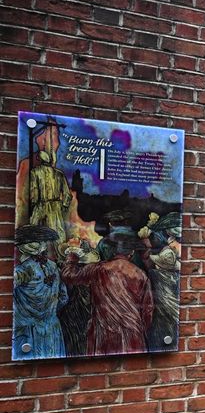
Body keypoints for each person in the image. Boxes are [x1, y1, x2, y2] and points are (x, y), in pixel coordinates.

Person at [62, 232, 153, 356]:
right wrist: (140, 330)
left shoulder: (97, 269)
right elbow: (148, 310)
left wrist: (72, 256)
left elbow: (69, 276)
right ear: (131, 253)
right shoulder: (141, 274)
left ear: (113, 252)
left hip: (104, 331)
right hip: (132, 333)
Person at [13, 225, 68, 360]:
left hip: (28, 332)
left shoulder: (22, 271)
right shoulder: (54, 266)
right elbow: (63, 297)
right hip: (52, 329)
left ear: (22, 248)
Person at [138, 212, 182, 352]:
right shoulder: (165, 250)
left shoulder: (170, 251)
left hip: (170, 289)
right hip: (162, 294)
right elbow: (151, 263)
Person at [28, 149, 72, 252]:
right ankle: (61, 257)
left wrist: (33, 205)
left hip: (41, 204)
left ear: (40, 159)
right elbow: (67, 193)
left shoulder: (35, 172)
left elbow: (34, 192)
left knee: (33, 231)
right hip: (55, 206)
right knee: (58, 234)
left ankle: (33, 255)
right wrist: (64, 206)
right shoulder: (59, 173)